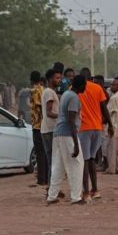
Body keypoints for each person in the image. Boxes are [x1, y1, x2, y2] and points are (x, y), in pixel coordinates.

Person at [47, 75, 88, 205]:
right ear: (81, 85)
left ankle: (52, 196)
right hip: (67, 134)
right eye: (85, 85)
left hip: (58, 133)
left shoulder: (66, 94)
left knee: (58, 166)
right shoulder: (74, 98)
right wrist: (76, 144)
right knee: (76, 164)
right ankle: (76, 197)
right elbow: (71, 120)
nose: (86, 87)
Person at [77, 68, 111, 201]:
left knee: (85, 160)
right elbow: (104, 107)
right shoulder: (97, 88)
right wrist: (110, 124)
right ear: (90, 76)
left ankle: (85, 192)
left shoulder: (75, 88)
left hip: (83, 128)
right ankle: (95, 190)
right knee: (91, 159)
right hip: (97, 127)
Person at [41, 68, 61, 188]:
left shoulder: (49, 91)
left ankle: (53, 187)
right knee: (53, 161)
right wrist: (63, 116)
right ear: (50, 79)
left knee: (53, 161)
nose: (59, 80)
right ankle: (51, 188)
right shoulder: (49, 92)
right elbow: (49, 113)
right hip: (50, 130)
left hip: (49, 129)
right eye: (57, 78)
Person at [29, 71, 47, 186]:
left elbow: (39, 107)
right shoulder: (43, 89)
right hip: (44, 124)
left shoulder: (34, 91)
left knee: (40, 153)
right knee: (45, 152)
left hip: (37, 125)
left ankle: (42, 179)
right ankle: (45, 177)